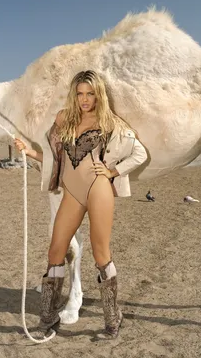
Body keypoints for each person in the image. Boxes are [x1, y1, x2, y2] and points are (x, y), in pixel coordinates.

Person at [14, 70, 147, 339]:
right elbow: (53, 159)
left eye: (90, 94)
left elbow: (139, 153)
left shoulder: (110, 122)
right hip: (72, 193)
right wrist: (28, 151)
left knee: (101, 253)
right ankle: (49, 316)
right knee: (56, 250)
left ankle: (112, 318)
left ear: (99, 95)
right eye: (80, 93)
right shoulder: (63, 119)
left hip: (98, 189)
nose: (85, 99)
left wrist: (112, 172)